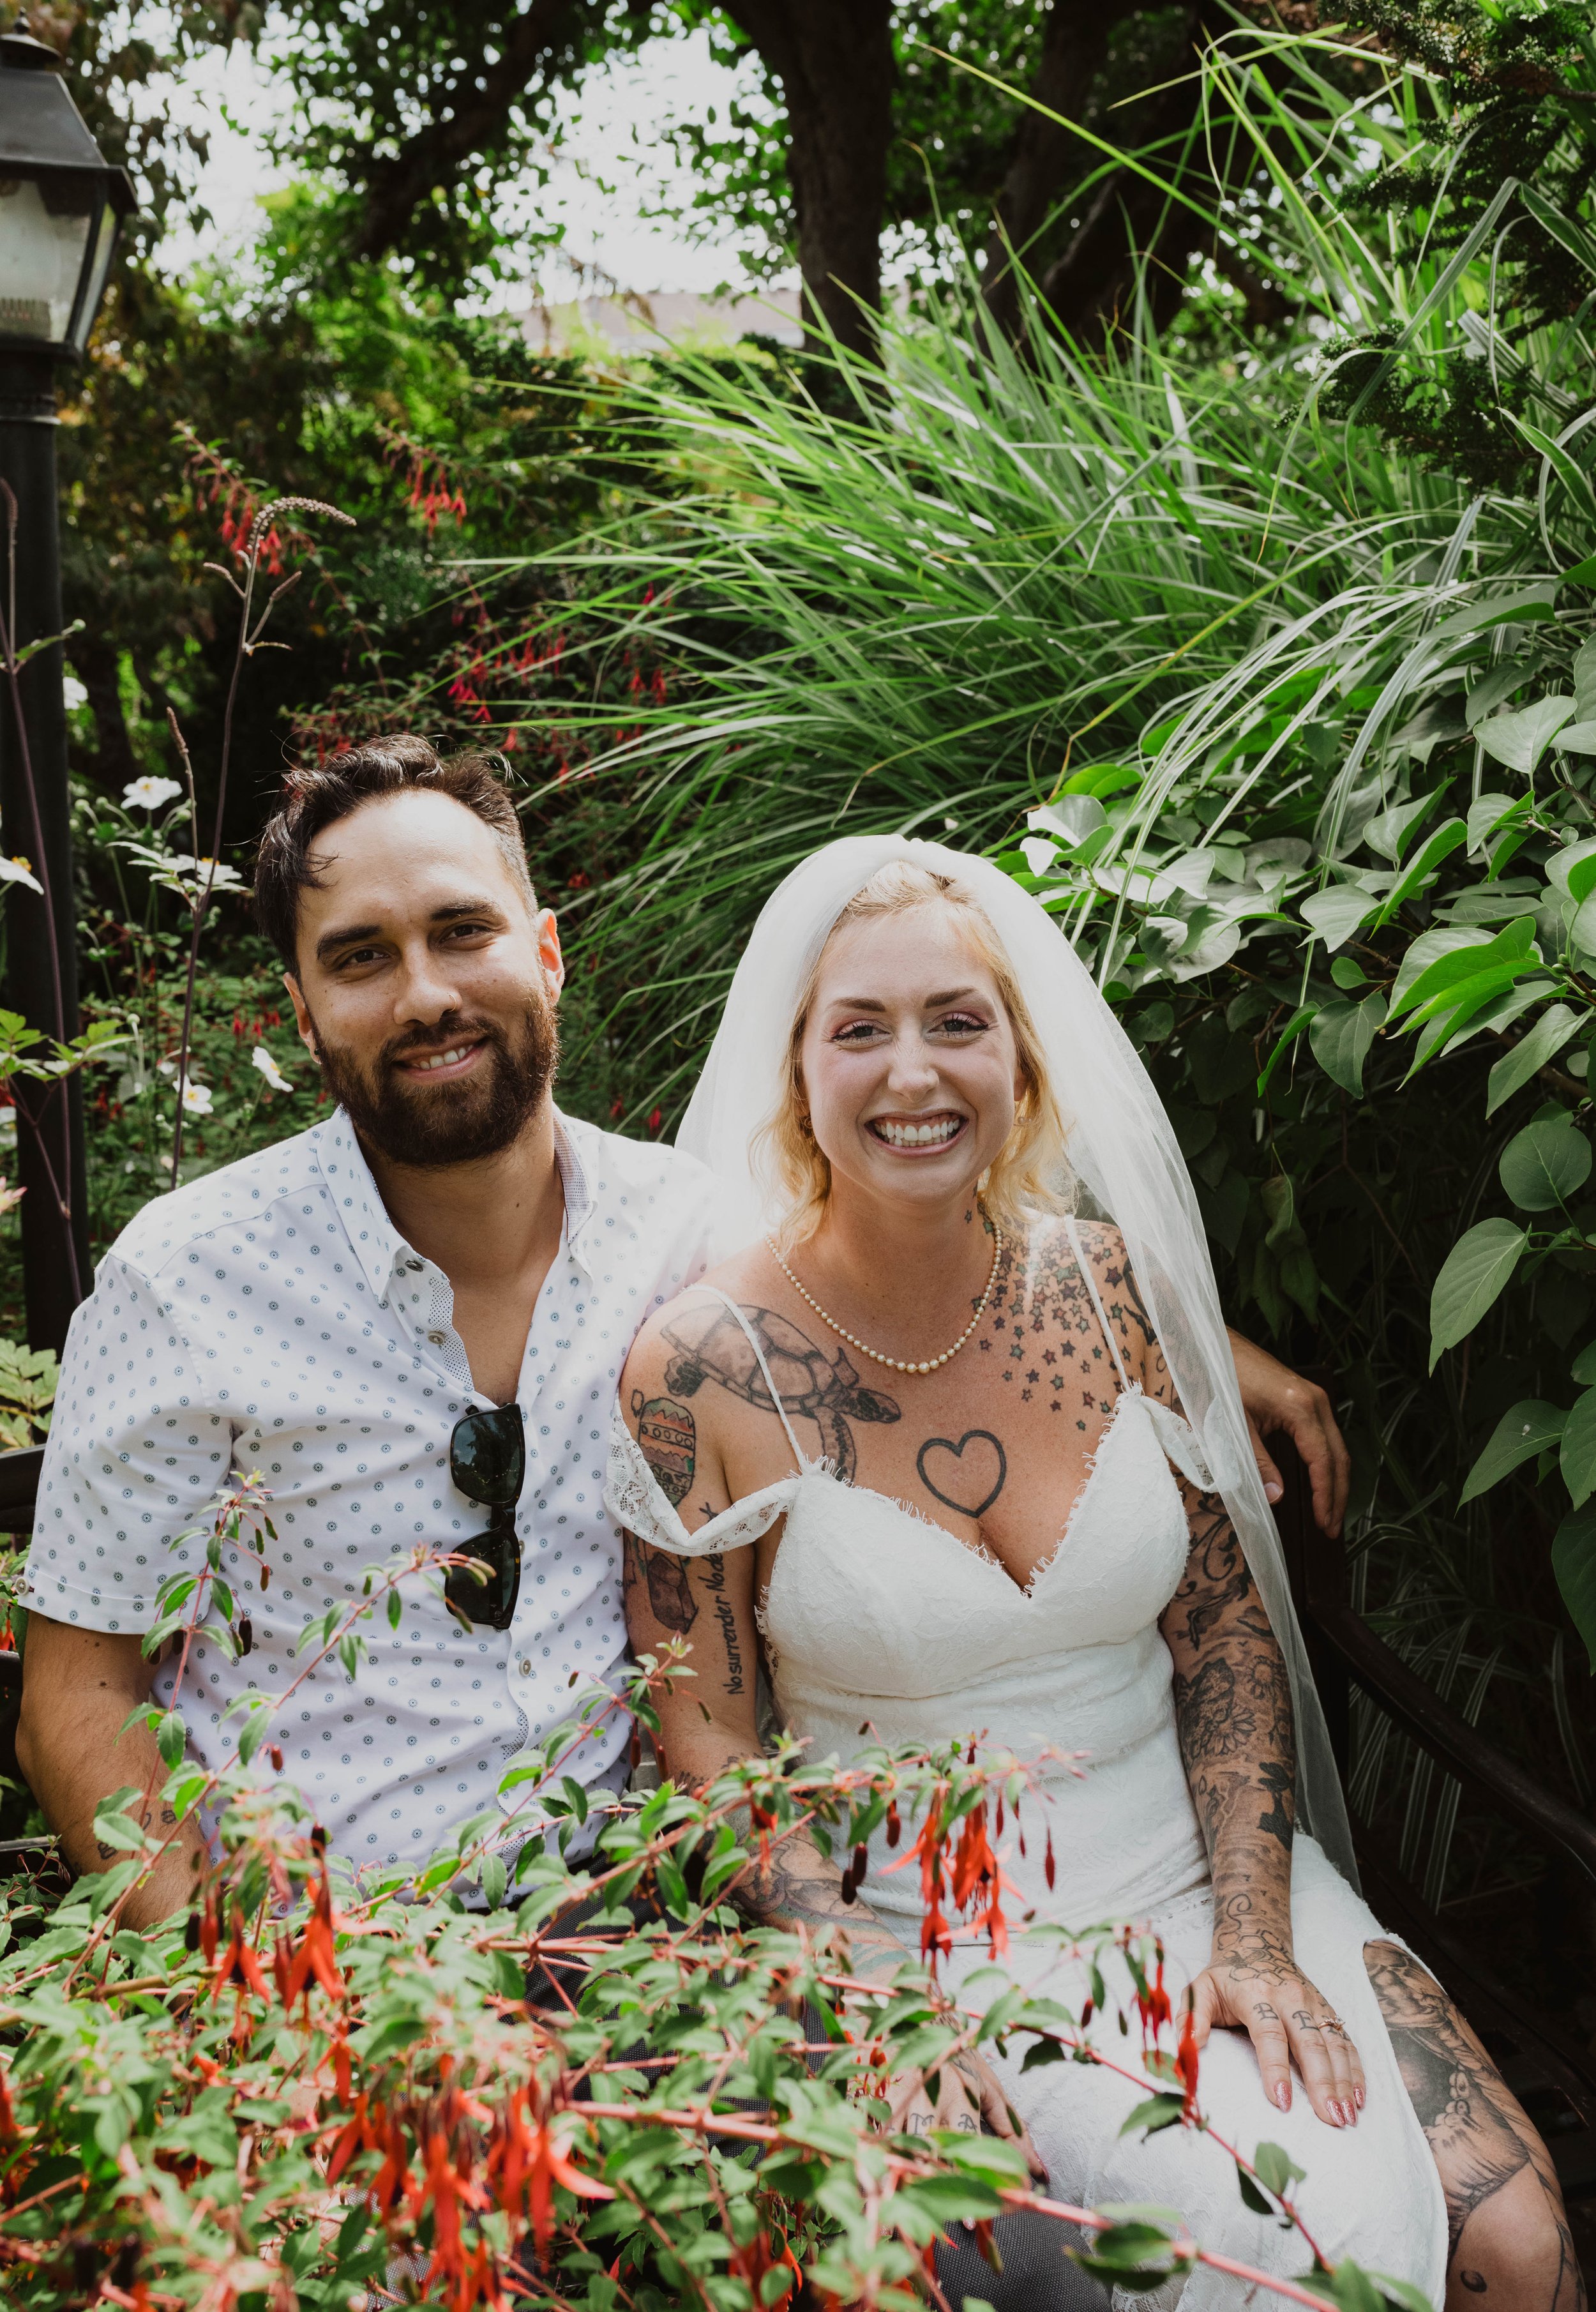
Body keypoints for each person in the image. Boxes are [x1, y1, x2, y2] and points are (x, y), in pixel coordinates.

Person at [15, 736, 1345, 1931]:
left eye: (460, 930)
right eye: (361, 955)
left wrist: (1204, 1345)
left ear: (543, 951)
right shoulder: (186, 1282)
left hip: (665, 1936)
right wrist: (244, 1971)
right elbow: (76, 1698)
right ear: (303, 1009)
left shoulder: (693, 1226)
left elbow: (942, 1268)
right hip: (339, 1967)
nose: (424, 993)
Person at [611, 840, 1581, 2312]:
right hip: (931, 1941)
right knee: (1270, 2260)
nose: (912, 1071)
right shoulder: (704, 1370)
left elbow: (1224, 1631)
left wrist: (1252, 1935)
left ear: (1020, 1056)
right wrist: (862, 2006)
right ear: (795, 1070)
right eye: (857, 1027)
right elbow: (707, 1741)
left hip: (1206, 1868)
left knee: (1516, 2246)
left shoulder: (1110, 1288)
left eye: (956, 1019)